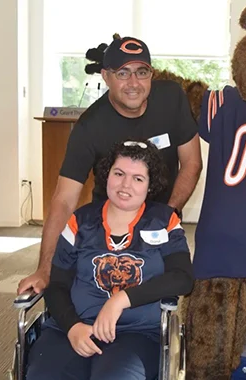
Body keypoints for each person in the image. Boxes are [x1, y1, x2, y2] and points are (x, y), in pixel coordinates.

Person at [18, 36, 202, 295]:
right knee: (95, 290)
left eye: (142, 72)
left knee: (157, 290)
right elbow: (64, 200)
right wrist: (44, 269)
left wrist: (166, 216)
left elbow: (192, 163)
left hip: (160, 215)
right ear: (106, 76)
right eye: (123, 73)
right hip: (108, 222)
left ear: (151, 73)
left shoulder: (172, 98)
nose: (134, 83)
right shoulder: (90, 127)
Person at [25, 139, 194, 380]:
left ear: (150, 185)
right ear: (107, 175)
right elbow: (58, 284)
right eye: (119, 173)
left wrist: (120, 300)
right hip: (72, 328)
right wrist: (73, 327)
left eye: (138, 178)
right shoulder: (80, 221)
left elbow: (183, 278)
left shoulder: (164, 220)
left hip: (137, 333)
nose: (126, 185)